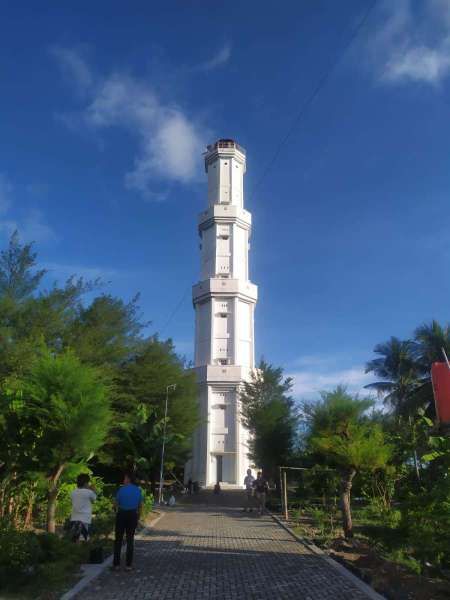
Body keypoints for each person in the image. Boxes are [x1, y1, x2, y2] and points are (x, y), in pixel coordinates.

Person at [112, 471, 143, 571]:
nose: (123, 480)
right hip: (133, 515)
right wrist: (138, 517)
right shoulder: (138, 490)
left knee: (118, 540)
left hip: (121, 514)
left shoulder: (121, 490)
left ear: (128, 479)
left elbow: (115, 503)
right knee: (130, 540)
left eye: (125, 478)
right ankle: (128, 565)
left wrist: (116, 510)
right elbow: (140, 506)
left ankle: (116, 565)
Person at [70, 473, 96, 542]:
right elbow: (94, 500)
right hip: (84, 520)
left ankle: (75, 552)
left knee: (75, 540)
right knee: (83, 541)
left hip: (74, 519)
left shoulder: (73, 492)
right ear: (86, 483)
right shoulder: (89, 492)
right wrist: (93, 490)